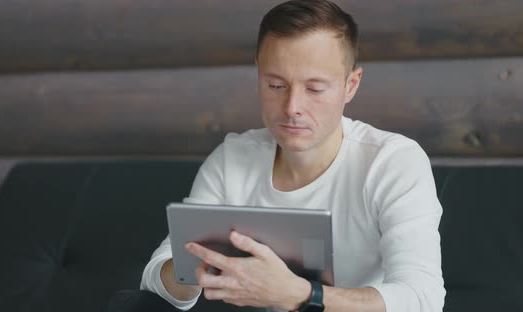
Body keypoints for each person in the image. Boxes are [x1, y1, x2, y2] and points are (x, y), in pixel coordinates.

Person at [141, 0, 445, 311]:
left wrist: (302, 295)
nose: (291, 107)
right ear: (258, 74)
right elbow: (155, 280)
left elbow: (424, 299)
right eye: (276, 85)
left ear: (350, 86)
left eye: (314, 89)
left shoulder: (392, 162)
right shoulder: (231, 161)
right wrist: (202, 265)